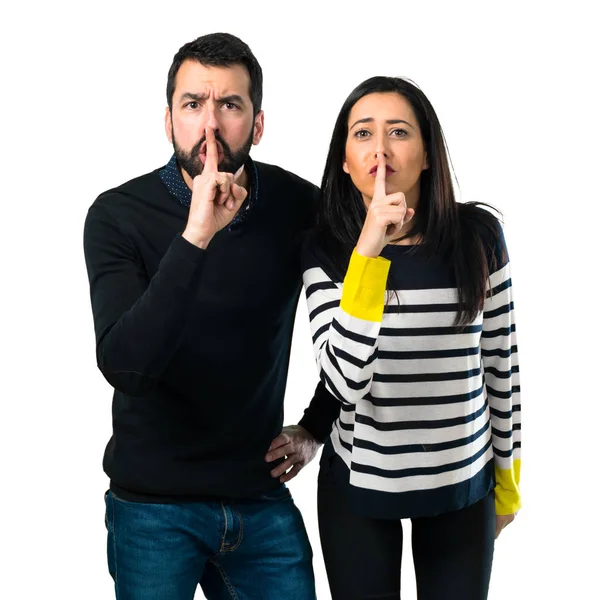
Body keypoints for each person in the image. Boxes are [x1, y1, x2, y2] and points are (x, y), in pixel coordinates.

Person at [83, 32, 332, 600]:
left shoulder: (300, 207)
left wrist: (317, 426)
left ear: (259, 124)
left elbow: (363, 311)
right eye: (193, 104)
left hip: (260, 500)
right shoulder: (117, 216)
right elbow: (128, 366)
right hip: (152, 508)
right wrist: (197, 234)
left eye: (230, 105)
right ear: (168, 120)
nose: (210, 125)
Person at [272, 76, 522, 600]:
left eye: (399, 132)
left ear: (427, 154)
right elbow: (344, 380)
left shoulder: (478, 237)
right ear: (344, 160)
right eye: (363, 134)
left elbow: (501, 365)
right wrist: (367, 254)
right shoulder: (324, 250)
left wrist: (508, 485)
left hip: (463, 484)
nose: (380, 149)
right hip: (360, 486)